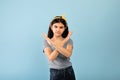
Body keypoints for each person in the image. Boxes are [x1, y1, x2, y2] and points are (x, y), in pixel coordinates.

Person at [42, 15, 76, 80]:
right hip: (55, 72)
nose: (58, 29)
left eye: (61, 27)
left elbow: (68, 54)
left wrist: (53, 43)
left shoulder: (69, 41)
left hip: (69, 70)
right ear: (51, 27)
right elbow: (51, 58)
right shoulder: (46, 42)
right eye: (55, 27)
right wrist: (65, 40)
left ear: (64, 28)